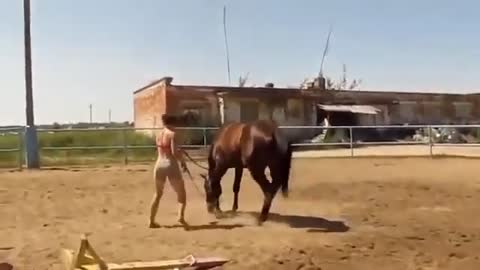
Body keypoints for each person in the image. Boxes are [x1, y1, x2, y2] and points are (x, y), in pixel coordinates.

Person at [149, 113, 189, 228]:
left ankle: (151, 220)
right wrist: (182, 161)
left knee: (157, 194)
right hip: (170, 165)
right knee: (181, 193)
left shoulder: (158, 134)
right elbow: (174, 153)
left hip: (159, 164)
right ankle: (180, 217)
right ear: (173, 123)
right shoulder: (172, 134)